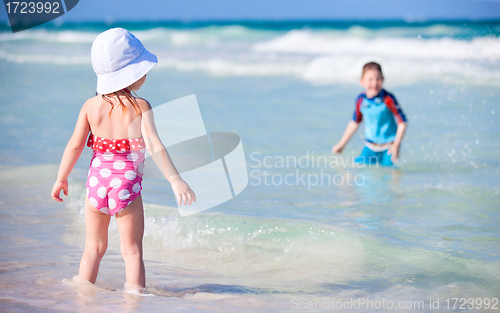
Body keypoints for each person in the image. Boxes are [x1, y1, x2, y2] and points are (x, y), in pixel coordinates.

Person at [51, 28, 196, 293]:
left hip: (96, 184)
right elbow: (154, 145)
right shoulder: (141, 107)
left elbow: (74, 146)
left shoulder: (89, 106)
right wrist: (176, 180)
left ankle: (82, 295)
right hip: (126, 186)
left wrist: (61, 178)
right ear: (130, 72)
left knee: (93, 247)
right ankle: (135, 300)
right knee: (131, 251)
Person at [331, 62, 407, 166]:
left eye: (378, 79)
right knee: (356, 167)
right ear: (362, 81)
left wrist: (396, 145)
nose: (374, 83)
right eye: (370, 80)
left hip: (389, 147)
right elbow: (355, 122)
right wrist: (341, 145)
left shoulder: (388, 98)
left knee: (391, 175)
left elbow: (402, 122)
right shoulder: (361, 100)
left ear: (383, 80)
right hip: (370, 146)